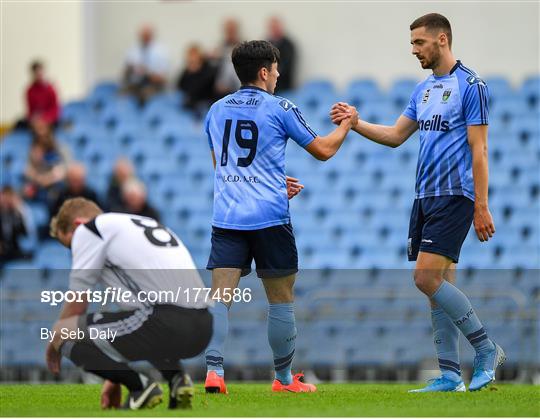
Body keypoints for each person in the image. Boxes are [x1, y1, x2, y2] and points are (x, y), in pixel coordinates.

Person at [331, 13, 504, 392]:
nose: (414, 50)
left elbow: (481, 149)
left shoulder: (471, 86)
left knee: (425, 278)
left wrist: (481, 204)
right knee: (437, 286)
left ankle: (486, 349)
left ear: (442, 40)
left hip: (455, 195)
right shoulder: (423, 90)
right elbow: (395, 135)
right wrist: (356, 123)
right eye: (412, 43)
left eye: (419, 43)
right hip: (424, 197)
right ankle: (449, 375)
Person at [203, 40, 357, 394]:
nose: (278, 75)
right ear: (263, 72)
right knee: (281, 299)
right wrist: (348, 125)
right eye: (275, 69)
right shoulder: (280, 107)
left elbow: (222, 168)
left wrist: (268, 180)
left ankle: (214, 373)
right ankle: (284, 380)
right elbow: (323, 150)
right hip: (269, 219)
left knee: (220, 298)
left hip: (227, 218)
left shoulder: (215, 110)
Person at [46, 197, 212, 409]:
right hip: (203, 326)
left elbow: (78, 303)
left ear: (78, 224)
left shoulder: (90, 229)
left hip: (164, 321)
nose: (73, 252)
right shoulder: (138, 223)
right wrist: (113, 375)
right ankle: (178, 380)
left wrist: (54, 342)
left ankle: (139, 387)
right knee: (142, 321)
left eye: (69, 244)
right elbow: (128, 323)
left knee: (65, 334)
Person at [24, 118, 69, 204]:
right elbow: (28, 170)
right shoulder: (33, 149)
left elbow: (64, 168)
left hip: (56, 185)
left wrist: (48, 179)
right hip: (38, 185)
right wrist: (38, 178)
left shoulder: (59, 147)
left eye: (43, 128)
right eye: (38, 129)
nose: (41, 133)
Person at [123, 25, 169, 105]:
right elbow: (126, 70)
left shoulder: (161, 51)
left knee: (144, 95)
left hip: (153, 85)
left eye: (147, 34)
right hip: (136, 83)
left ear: (151, 35)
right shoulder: (133, 50)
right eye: (143, 35)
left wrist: (147, 72)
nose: (145, 37)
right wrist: (132, 70)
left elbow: (163, 77)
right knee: (122, 95)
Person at [17, 60, 61, 130]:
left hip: (49, 119)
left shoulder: (50, 89)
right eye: (37, 73)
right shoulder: (30, 91)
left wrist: (45, 117)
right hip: (36, 120)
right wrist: (34, 118)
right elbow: (30, 111)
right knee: (19, 124)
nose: (39, 75)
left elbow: (55, 109)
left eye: (41, 72)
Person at [176, 44, 217, 115]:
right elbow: (179, 86)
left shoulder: (209, 70)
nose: (191, 58)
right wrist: (189, 73)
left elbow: (199, 90)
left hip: (205, 103)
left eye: (193, 55)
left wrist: (194, 73)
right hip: (190, 102)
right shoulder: (187, 70)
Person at [0, 186, 33, 266]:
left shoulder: (17, 213)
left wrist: (20, 209)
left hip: (15, 250)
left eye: (9, 197)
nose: (6, 201)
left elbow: (28, 233)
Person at [212, 19, 242, 98]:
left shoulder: (244, 45)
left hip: (240, 81)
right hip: (222, 87)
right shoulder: (220, 47)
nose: (230, 32)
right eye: (228, 30)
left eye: (232, 30)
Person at [267, 17, 296, 92]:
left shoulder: (288, 45)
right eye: (272, 27)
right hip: (268, 86)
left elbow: (286, 65)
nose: (274, 30)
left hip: (284, 86)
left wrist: (272, 72)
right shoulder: (266, 43)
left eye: (276, 27)